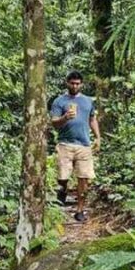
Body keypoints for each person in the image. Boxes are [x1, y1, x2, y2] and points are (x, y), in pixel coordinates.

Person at [49, 70, 101, 222]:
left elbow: (92, 119)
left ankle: (80, 210)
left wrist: (98, 137)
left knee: (84, 178)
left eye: (77, 83)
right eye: (72, 83)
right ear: (67, 83)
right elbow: (54, 123)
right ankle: (63, 191)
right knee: (63, 177)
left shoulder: (87, 101)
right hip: (65, 144)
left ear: (81, 84)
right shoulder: (59, 101)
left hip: (84, 145)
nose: (75, 86)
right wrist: (65, 118)